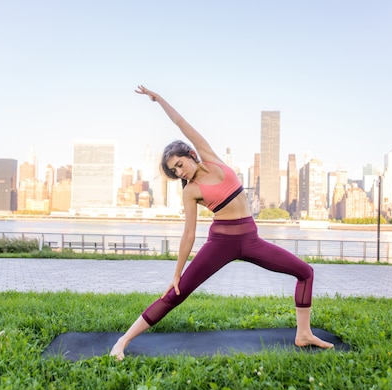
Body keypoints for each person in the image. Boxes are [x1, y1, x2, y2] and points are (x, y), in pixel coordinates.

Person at [110, 86, 334, 360]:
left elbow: (181, 123)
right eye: (175, 171)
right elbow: (189, 234)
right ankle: (122, 342)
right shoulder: (190, 191)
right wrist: (177, 273)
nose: (180, 172)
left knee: (305, 272)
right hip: (221, 243)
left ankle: (303, 334)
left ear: (191, 154)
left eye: (180, 164)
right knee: (177, 294)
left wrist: (159, 100)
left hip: (251, 240)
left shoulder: (211, 158)